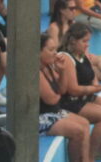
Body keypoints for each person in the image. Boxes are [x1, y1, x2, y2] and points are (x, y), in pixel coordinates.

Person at [59, 23, 101, 160]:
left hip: (85, 96)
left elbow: (93, 79)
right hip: (70, 101)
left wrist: (96, 86)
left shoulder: (83, 55)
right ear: (73, 41)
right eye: (84, 41)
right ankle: (89, 156)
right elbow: (73, 90)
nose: (87, 44)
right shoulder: (66, 57)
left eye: (88, 41)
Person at [39, 33, 91, 162]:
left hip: (52, 111)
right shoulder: (35, 72)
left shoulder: (49, 66)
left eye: (55, 49)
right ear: (38, 51)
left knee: (85, 123)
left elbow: (62, 90)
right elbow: (51, 99)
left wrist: (62, 71)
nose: (55, 53)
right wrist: (58, 94)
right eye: (51, 50)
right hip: (38, 117)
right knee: (77, 131)